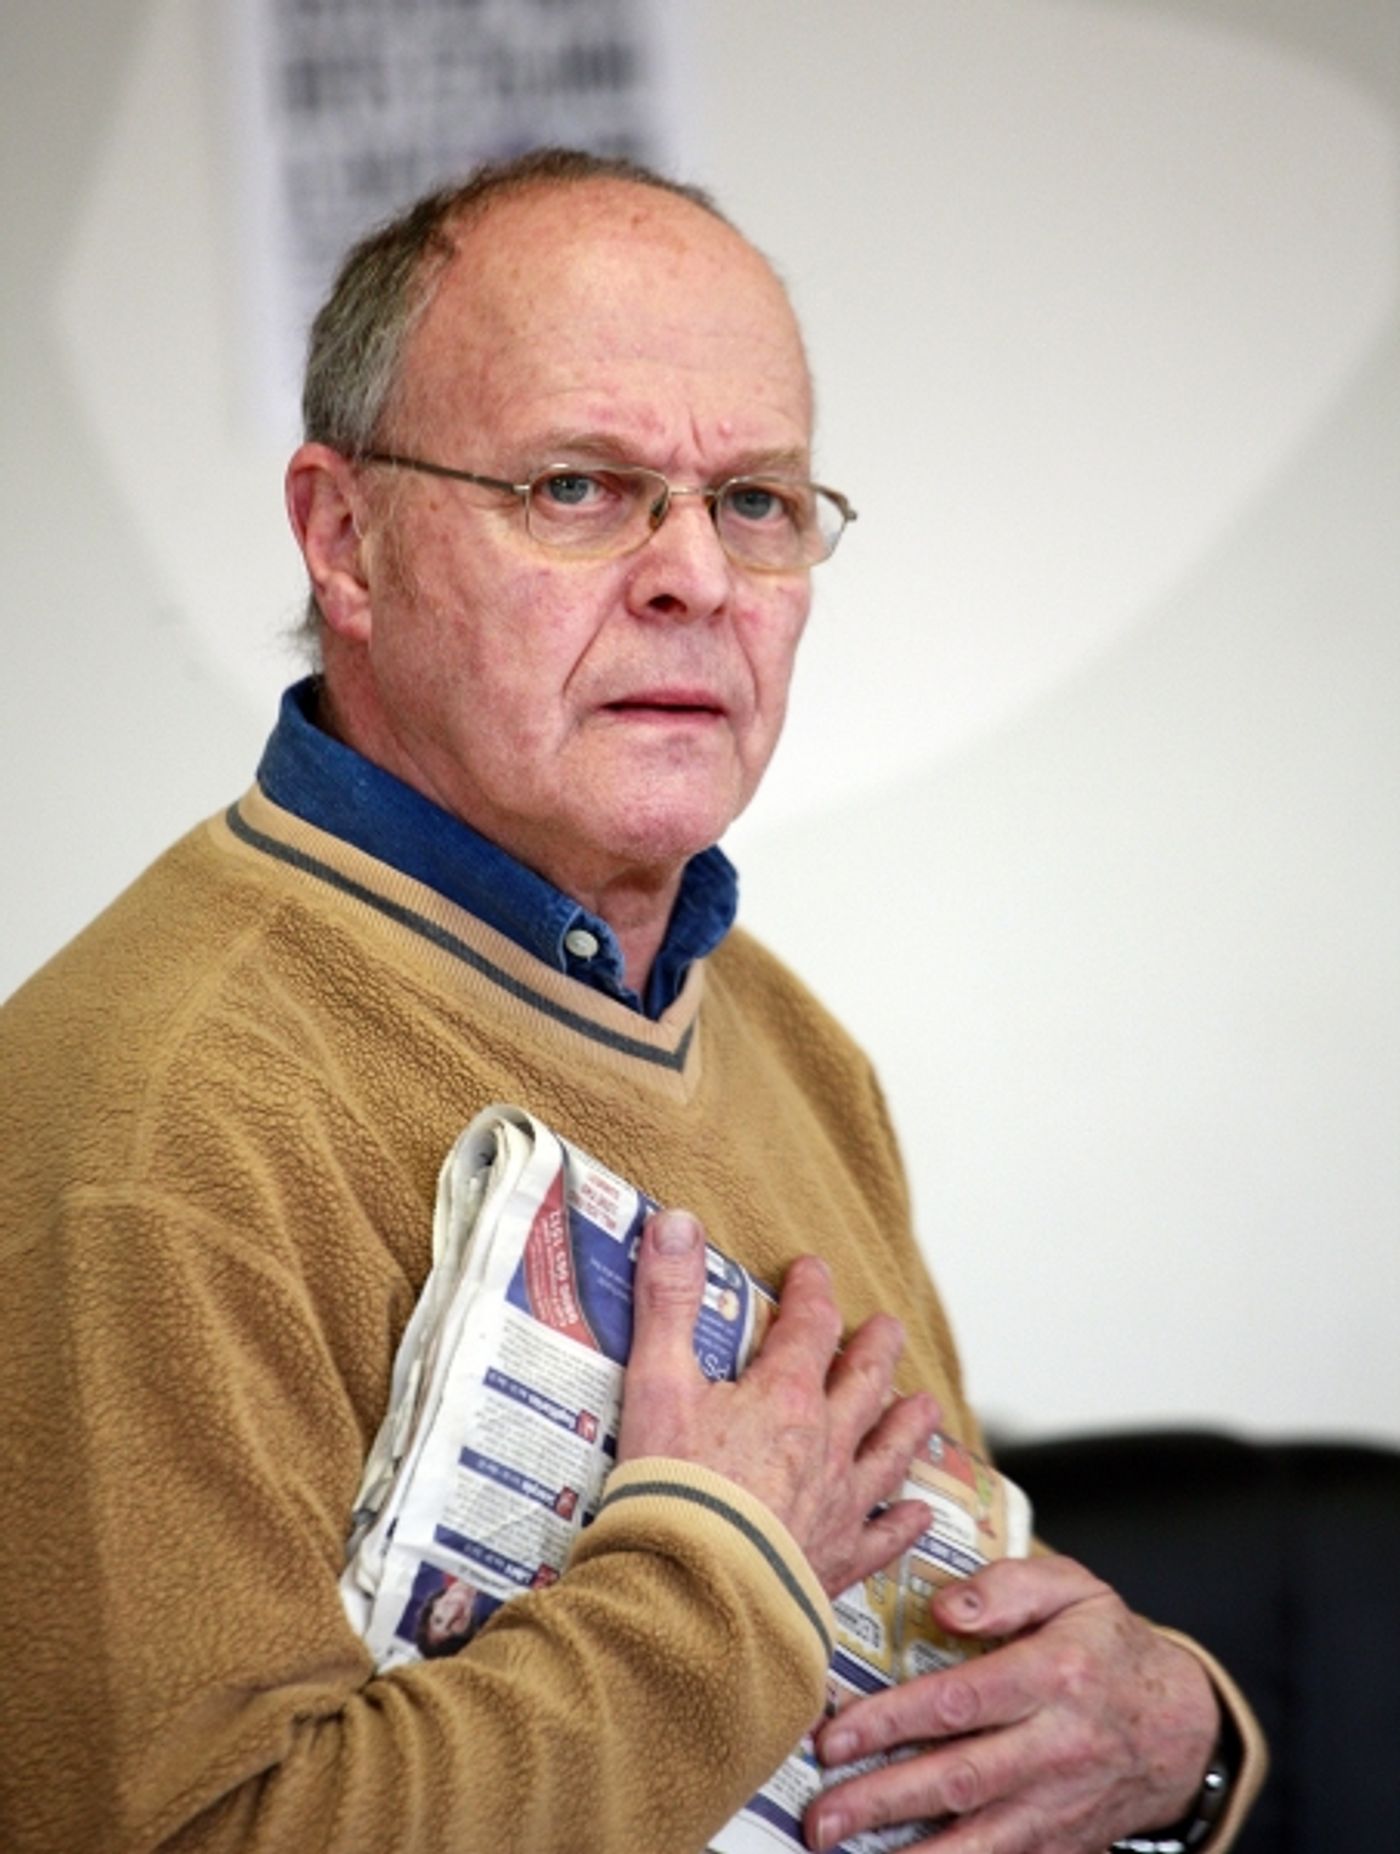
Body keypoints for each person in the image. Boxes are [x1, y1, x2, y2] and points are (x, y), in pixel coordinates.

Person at [0, 148, 1264, 1853]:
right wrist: (713, 1581)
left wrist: (1183, 1744)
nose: (696, 577)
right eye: (582, 486)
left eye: (755, 501)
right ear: (344, 536)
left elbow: (965, 1649)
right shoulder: (146, 1116)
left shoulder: (791, 1040)